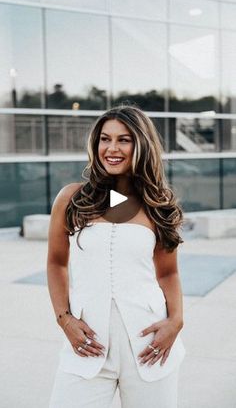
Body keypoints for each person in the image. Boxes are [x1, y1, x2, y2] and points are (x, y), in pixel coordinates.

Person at [47, 104, 186, 408]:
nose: (112, 148)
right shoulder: (72, 199)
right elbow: (57, 263)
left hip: (149, 347)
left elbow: (168, 273)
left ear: (141, 144)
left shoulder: (157, 206)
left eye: (124, 139)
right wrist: (64, 319)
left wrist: (175, 321)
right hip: (86, 347)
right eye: (104, 139)